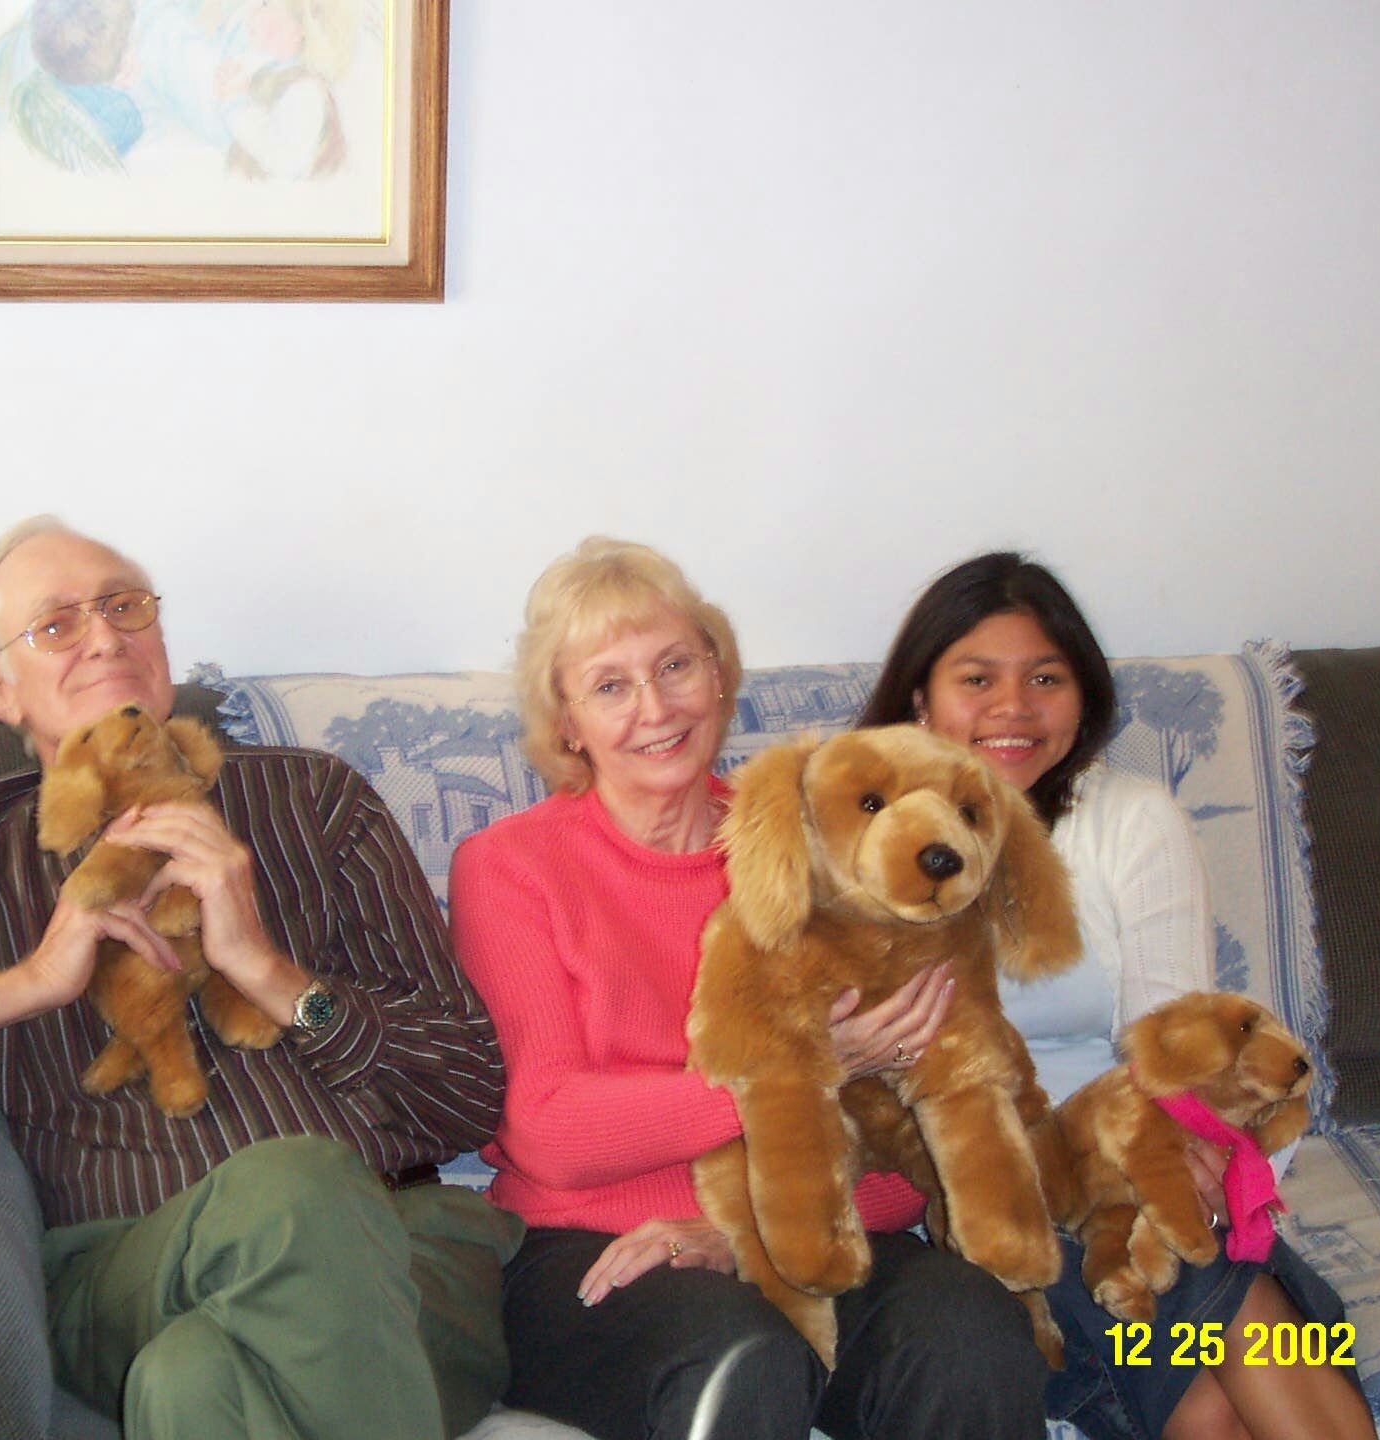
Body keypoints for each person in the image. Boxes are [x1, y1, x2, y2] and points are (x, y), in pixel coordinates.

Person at [0, 516, 522, 1440]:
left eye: (124, 607)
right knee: (289, 1191)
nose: (105, 636)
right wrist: (29, 982)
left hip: (395, 1249)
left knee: (192, 1382)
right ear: (0, 690)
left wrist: (267, 970)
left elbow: (469, 1094)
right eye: (57, 625)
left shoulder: (314, 802)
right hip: (118, 1271)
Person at [448, 535, 1047, 1440]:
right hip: (593, 1251)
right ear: (566, 722)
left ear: (721, 676)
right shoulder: (509, 867)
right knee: (739, 1360)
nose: (654, 707)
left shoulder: (828, 850)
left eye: (676, 666)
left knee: (971, 1329)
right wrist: (808, 1073)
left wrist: (750, 1231)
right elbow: (548, 1128)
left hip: (806, 1229)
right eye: (610, 686)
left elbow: (911, 1130)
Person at [856, 551, 1375, 1440]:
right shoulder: (869, 846)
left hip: (1132, 1177)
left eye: (1045, 679)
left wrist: (1192, 1157)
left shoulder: (1130, 819)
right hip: (999, 1205)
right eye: (977, 679)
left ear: (1083, 696)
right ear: (919, 701)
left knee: (1216, 1346)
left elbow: (1175, 1056)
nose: (1013, 709)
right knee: (1212, 1374)